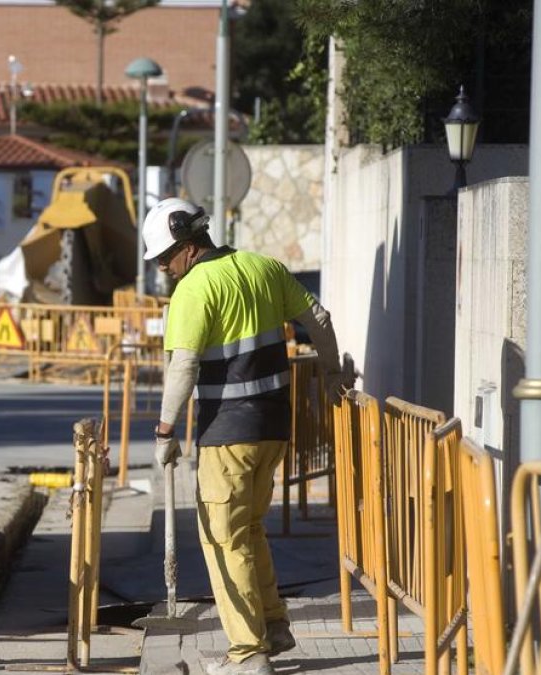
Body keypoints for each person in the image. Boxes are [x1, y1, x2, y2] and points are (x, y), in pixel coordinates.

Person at [143, 198, 349, 675]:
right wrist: (333, 374)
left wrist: (165, 431)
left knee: (223, 540)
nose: (164, 270)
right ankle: (273, 627)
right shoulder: (263, 268)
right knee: (250, 531)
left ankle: (247, 655)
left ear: (187, 247)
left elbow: (184, 366)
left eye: (163, 259)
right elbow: (319, 318)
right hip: (274, 429)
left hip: (226, 435)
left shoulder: (194, 290)